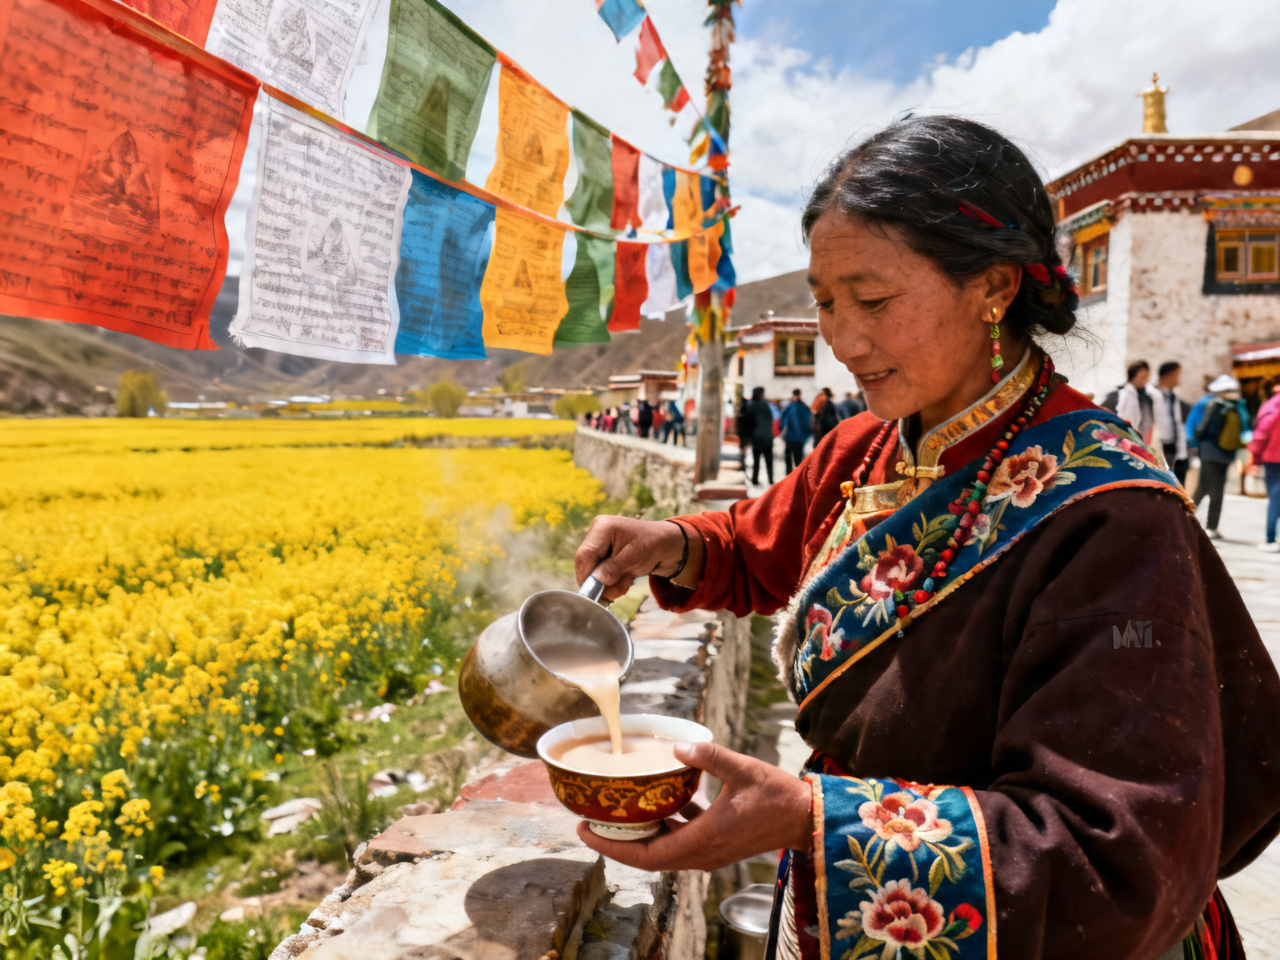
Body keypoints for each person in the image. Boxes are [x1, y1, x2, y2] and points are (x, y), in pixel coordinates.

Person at [572, 116, 1280, 960]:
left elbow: (1117, 853)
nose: (843, 339)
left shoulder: (1112, 520)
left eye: (872, 300)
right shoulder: (871, 442)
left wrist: (812, 821)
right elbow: (764, 546)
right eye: (824, 303)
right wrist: (668, 543)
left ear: (995, 287)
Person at [1187, 375, 1251, 539]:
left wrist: (1195, 443)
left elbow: (1199, 428)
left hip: (1209, 451)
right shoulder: (1238, 406)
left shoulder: (1210, 404)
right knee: (1210, 488)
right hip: (1226, 453)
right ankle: (1203, 523)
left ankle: (1193, 520)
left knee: (1208, 488)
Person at [1247, 380, 1280, 552]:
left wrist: (1255, 455)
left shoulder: (1273, 405)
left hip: (1274, 458)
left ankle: (1270, 538)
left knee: (1275, 498)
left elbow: (1262, 432)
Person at [1154, 360, 1189, 484]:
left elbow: (1178, 422)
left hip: (1172, 445)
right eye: (1178, 375)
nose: (1179, 379)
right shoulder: (1152, 394)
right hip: (1157, 444)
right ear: (1169, 375)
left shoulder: (1173, 396)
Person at [1113, 360, 1160, 444]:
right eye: (1142, 377)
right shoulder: (1122, 394)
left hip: (1142, 441)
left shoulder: (1147, 397)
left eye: (1146, 377)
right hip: (1124, 440)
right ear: (1133, 376)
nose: (1144, 380)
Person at [745, 387, 776, 486]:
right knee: (769, 460)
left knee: (756, 459)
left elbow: (748, 422)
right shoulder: (766, 405)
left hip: (757, 436)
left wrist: (747, 437)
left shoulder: (751, 405)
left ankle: (755, 479)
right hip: (767, 436)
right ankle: (770, 479)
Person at [780, 389, 812, 473]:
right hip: (800, 437)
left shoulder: (791, 406)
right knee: (798, 457)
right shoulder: (804, 407)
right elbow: (808, 422)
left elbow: (783, 418)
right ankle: (798, 475)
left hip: (791, 436)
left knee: (789, 457)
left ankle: (790, 474)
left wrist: (782, 429)